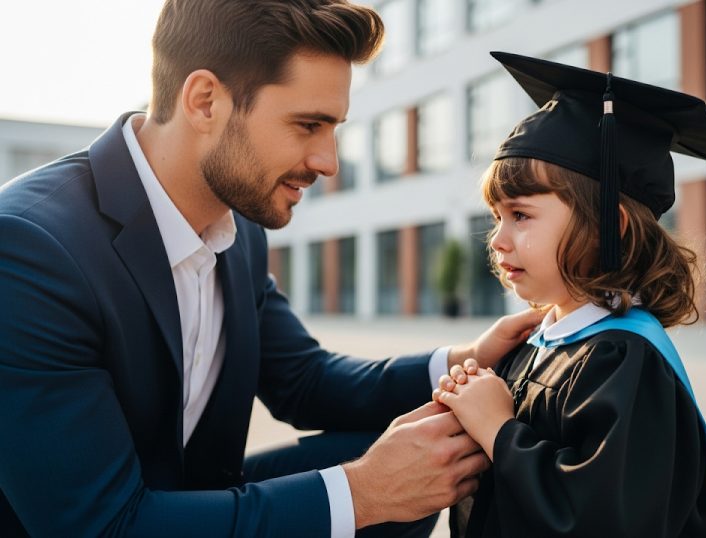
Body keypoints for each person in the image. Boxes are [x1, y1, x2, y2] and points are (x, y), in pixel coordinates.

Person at [0, 3, 546, 537]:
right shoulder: (32, 248)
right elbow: (98, 524)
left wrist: (464, 361)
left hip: (186, 501)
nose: (328, 161)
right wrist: (364, 493)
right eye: (308, 124)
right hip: (108, 521)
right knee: (372, 487)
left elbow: (303, 381)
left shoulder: (237, 229)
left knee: (426, 450)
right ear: (205, 101)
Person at [433, 52, 706, 537]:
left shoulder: (625, 359)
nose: (496, 240)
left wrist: (497, 430)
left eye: (521, 215)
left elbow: (600, 519)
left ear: (607, 228)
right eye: (496, 217)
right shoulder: (537, 343)